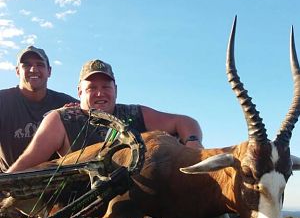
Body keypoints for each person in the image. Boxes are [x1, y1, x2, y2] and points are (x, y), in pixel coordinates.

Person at [7, 59, 203, 173]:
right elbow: (28, 161)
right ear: (79, 92)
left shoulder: (134, 113)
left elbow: (185, 122)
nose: (100, 93)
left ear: (115, 90)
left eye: (106, 87)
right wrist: (5, 184)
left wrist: (193, 145)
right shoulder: (61, 119)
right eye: (91, 87)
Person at [0, 46, 78, 172]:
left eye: (40, 65)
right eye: (26, 65)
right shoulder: (3, 101)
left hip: (57, 183)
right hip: (10, 185)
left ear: (49, 71)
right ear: (17, 71)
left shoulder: (66, 103)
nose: (33, 69)